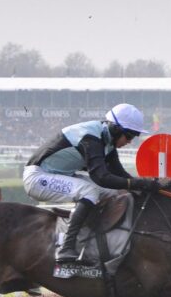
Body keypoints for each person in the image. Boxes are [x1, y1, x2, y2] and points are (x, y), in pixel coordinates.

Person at [22, 102, 160, 264]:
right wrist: (139, 184)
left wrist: (143, 187)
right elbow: (101, 177)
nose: (130, 141)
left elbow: (120, 175)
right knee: (90, 191)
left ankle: (92, 244)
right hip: (37, 178)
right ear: (116, 129)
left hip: (56, 175)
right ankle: (67, 247)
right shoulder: (91, 138)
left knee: (114, 193)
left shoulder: (107, 141)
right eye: (129, 136)